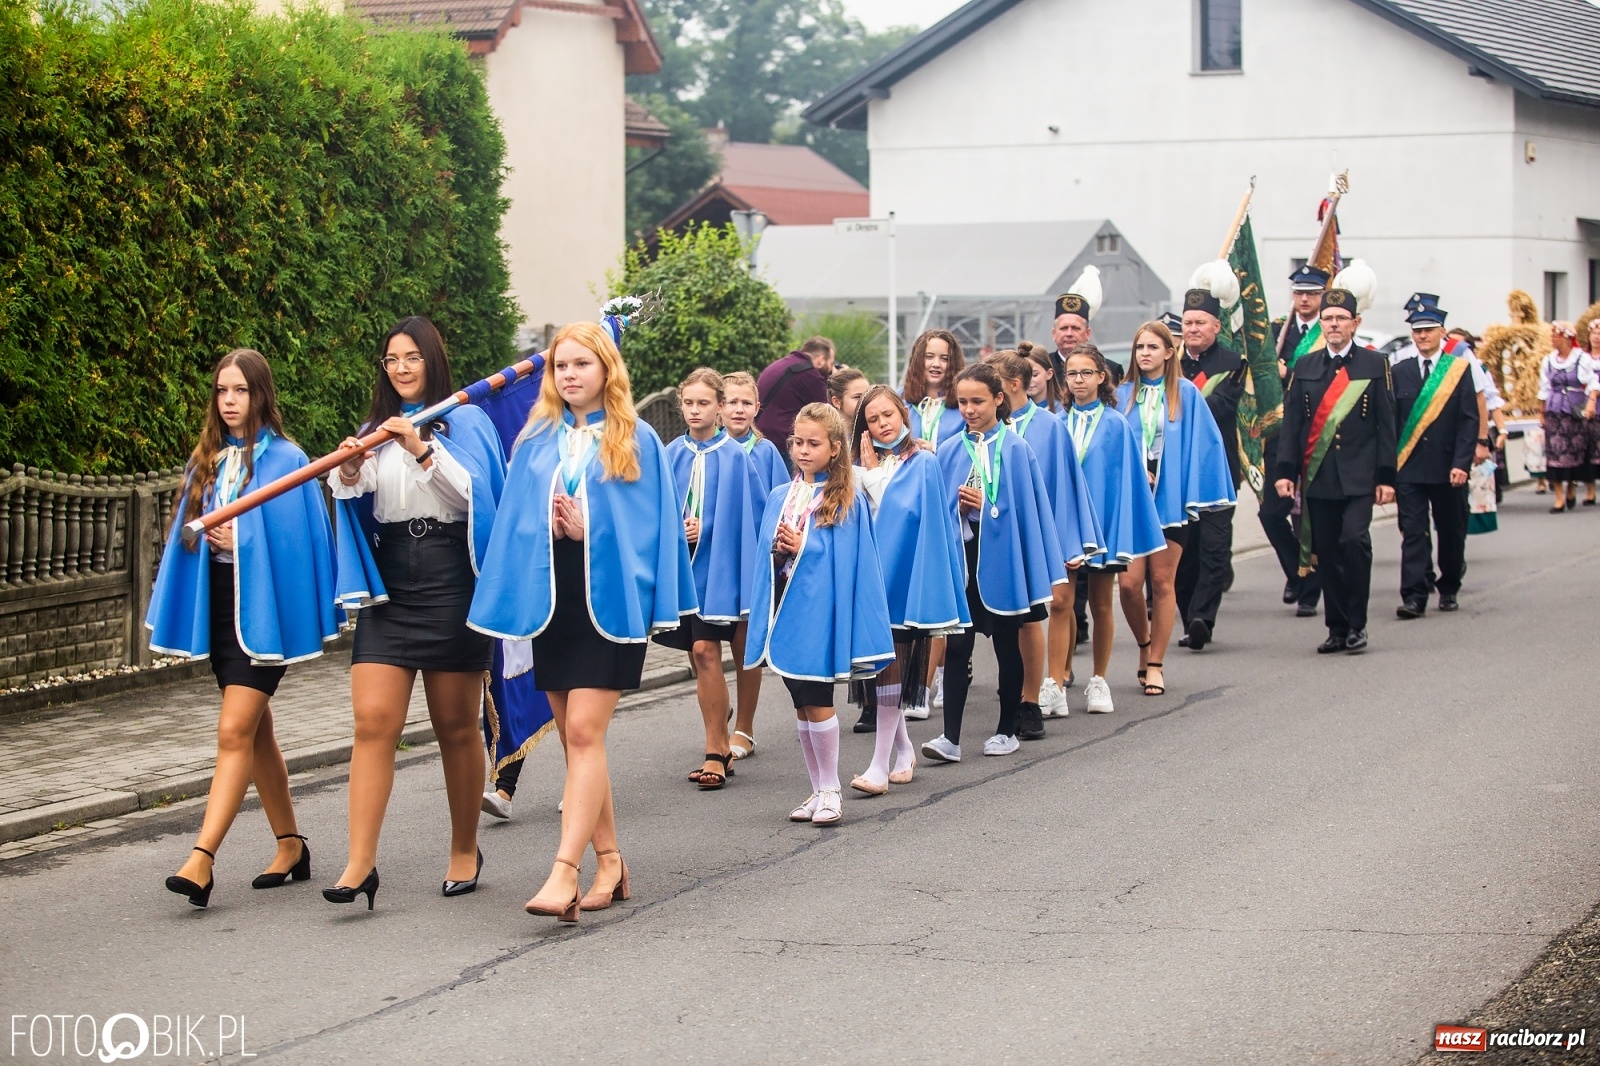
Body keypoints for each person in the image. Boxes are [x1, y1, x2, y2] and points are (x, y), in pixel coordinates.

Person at [469, 320, 695, 921]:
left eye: (581, 364)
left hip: (612, 602)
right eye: (560, 366)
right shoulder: (535, 440)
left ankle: (563, 872)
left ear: (606, 370)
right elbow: (514, 522)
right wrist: (545, 525)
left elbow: (651, 530)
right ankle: (612, 860)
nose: (569, 375)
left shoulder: (638, 437)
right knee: (576, 743)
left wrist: (588, 526)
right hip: (553, 602)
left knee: (585, 735)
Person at [149, 349, 340, 908]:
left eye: (241, 391)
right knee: (257, 734)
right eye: (221, 391)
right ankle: (290, 845)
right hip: (221, 609)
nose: (230, 401)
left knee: (234, 730)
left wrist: (244, 543)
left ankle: (201, 859)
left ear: (261, 395)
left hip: (266, 613)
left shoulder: (287, 461)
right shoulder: (206, 459)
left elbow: (301, 544)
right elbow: (186, 540)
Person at [327, 317, 507, 909]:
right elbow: (357, 499)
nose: (401, 368)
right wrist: (352, 468)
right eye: (391, 360)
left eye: (411, 358)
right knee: (372, 722)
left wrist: (422, 448)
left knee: (456, 726)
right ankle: (359, 863)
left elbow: (479, 499)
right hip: (392, 581)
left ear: (432, 360)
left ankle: (463, 848)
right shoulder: (375, 428)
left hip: (452, 577)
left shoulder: (469, 419)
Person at [744, 403, 895, 826]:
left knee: (818, 698)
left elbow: (846, 560)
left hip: (819, 611)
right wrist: (777, 551)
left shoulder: (845, 497)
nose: (803, 451)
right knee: (800, 700)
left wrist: (803, 546)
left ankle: (831, 790)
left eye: (814, 444)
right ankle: (817, 789)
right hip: (784, 608)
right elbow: (764, 556)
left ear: (834, 449)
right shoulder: (781, 495)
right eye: (798, 442)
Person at [923, 363, 1066, 763]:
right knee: (957, 647)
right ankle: (950, 736)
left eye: (978, 401)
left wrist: (990, 508)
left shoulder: (1017, 449)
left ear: (999, 399)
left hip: (1004, 561)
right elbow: (937, 509)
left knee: (1007, 644)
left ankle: (1007, 729)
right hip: (964, 561)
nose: (968, 409)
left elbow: (1028, 511)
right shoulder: (950, 449)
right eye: (963, 402)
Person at [849, 386, 970, 792]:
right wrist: (864, 471)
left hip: (904, 575)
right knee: (883, 665)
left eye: (888, 414)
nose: (883, 423)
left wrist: (869, 475)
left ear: (904, 414)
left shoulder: (924, 460)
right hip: (871, 573)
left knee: (892, 661)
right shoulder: (864, 462)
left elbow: (902, 511)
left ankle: (879, 764)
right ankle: (903, 751)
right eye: (872, 419)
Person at [1274, 285, 1397, 655]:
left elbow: (1386, 426)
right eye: (1328, 319)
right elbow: (1293, 425)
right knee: (1326, 552)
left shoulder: (1375, 365)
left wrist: (1387, 477)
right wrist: (1285, 471)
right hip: (1319, 477)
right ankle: (1337, 628)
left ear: (1355, 323)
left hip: (1360, 477)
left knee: (1354, 542)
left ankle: (1358, 624)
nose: (1333, 325)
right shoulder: (1306, 366)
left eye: (1341, 318)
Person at [1114, 322, 1235, 696]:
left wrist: (1193, 491)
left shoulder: (1187, 394)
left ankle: (1155, 663)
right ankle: (1143, 642)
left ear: (1170, 352)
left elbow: (1205, 446)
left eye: (1153, 347)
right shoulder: (1120, 396)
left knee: (1163, 582)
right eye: (1139, 347)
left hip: (1170, 505)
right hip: (1134, 505)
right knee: (1131, 585)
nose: (1145, 353)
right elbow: (1110, 449)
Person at [656, 368, 761, 790]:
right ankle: (718, 730)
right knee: (699, 655)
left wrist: (710, 529)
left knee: (705, 649)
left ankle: (715, 751)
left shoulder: (736, 456)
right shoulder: (670, 454)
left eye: (704, 403)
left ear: (719, 407)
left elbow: (748, 517)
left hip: (719, 570)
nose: (695, 410)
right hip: (685, 571)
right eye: (688, 403)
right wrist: (674, 530)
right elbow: (656, 509)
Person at [987, 347, 1100, 727]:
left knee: (1054, 607)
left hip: (1047, 534)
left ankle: (1048, 687)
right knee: (1018, 618)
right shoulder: (990, 430)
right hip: (1005, 536)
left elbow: (1065, 485)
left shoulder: (1051, 426)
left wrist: (1067, 542)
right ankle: (1022, 692)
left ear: (1012, 386)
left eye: (994, 385)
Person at [1061, 344, 1166, 715]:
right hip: (1067, 525)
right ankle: (1057, 678)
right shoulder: (1058, 421)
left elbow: (1125, 482)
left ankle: (1099, 680)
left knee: (1101, 602)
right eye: (1072, 373)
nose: (1078, 380)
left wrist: (1122, 528)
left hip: (1103, 524)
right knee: (1062, 602)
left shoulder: (1116, 423)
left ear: (1102, 377)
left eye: (1086, 373)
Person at [1392, 296, 1478, 618]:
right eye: (1417, 330)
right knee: (1413, 532)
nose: (1423, 336)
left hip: (1447, 467)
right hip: (1410, 467)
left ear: (1442, 332)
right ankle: (1414, 595)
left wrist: (1461, 463)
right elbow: (1393, 421)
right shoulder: (1399, 371)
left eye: (1428, 330)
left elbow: (1468, 420)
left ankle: (1450, 585)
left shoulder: (1457, 370)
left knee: (1451, 530)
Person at [1174, 288, 1247, 652]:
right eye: (1188, 322)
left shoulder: (1233, 362)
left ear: (1216, 325)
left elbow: (1220, 407)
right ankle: (1189, 618)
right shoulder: (1169, 363)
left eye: (1200, 322)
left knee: (1215, 550)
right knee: (1185, 554)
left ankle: (1204, 617)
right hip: (1177, 475)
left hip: (1217, 471)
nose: (1193, 328)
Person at [719, 371, 783, 761]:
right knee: (703, 649)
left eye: (746, 402)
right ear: (720, 407)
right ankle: (716, 706)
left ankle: (744, 726)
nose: (738, 409)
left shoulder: (766, 452)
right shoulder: (704, 450)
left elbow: (782, 505)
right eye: (731, 402)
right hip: (710, 561)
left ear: (757, 408)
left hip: (751, 563)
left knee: (745, 645)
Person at [1262, 266, 1329, 617]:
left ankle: (1310, 591)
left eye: (1312, 294)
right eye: (1300, 293)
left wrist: (1291, 372)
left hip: (1317, 433)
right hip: (1280, 437)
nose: (1304, 299)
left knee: (1311, 518)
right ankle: (1296, 571)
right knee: (1271, 513)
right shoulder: (1277, 332)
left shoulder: (1328, 331)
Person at [1536, 322, 1596, 512]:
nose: (1553, 340)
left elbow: (1592, 383)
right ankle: (1559, 496)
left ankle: (1571, 486)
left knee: (1573, 452)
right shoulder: (1548, 360)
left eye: (1556, 336)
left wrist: (1591, 403)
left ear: (1567, 339)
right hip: (1554, 411)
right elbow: (1544, 387)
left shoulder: (1581, 359)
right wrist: (1541, 412)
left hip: (1573, 411)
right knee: (1554, 452)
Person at [755, 337, 833, 452]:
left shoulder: (783, 364)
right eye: (831, 363)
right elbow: (828, 414)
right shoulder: (810, 375)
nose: (831, 369)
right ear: (821, 360)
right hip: (782, 443)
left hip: (760, 434)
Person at [901, 329, 967, 448]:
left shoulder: (965, 404)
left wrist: (934, 455)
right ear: (918, 360)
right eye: (929, 357)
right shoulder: (900, 399)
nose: (936, 364)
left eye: (944, 358)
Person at [827, 367, 870, 441]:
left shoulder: (875, 430)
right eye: (857, 397)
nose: (865, 401)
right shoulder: (828, 436)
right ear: (837, 402)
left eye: (868, 395)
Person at [1024, 343, 1065, 414]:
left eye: (1034, 375)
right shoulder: (1015, 411)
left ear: (1049, 374)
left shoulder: (1063, 409)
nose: (1029, 380)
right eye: (1024, 375)